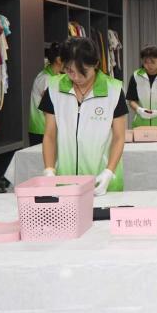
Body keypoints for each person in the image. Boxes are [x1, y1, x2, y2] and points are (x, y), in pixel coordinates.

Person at [40, 36, 127, 195]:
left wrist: (109, 172)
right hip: (65, 182)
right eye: (70, 71)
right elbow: (50, 135)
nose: (76, 77)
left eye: (83, 72)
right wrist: (49, 170)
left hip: (102, 181)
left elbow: (119, 137)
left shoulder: (114, 90)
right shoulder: (53, 88)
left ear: (96, 64)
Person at [28, 41, 63, 146]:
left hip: (47, 129)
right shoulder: (46, 79)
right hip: (41, 130)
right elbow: (50, 107)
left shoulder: (55, 76)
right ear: (59, 60)